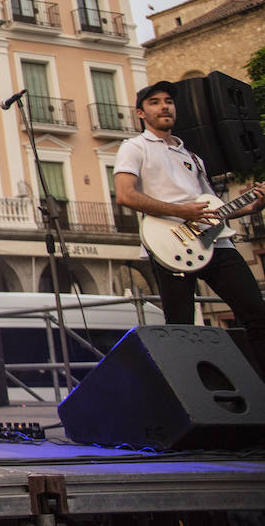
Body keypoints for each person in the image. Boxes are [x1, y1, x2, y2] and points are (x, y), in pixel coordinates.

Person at [113, 80, 265, 371]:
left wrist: (255, 205)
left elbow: (214, 209)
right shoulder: (134, 147)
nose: (164, 106)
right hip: (172, 243)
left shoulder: (191, 156)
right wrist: (181, 211)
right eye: (154, 102)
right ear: (141, 113)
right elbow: (125, 194)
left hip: (217, 242)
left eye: (168, 100)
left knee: (256, 313)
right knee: (180, 325)